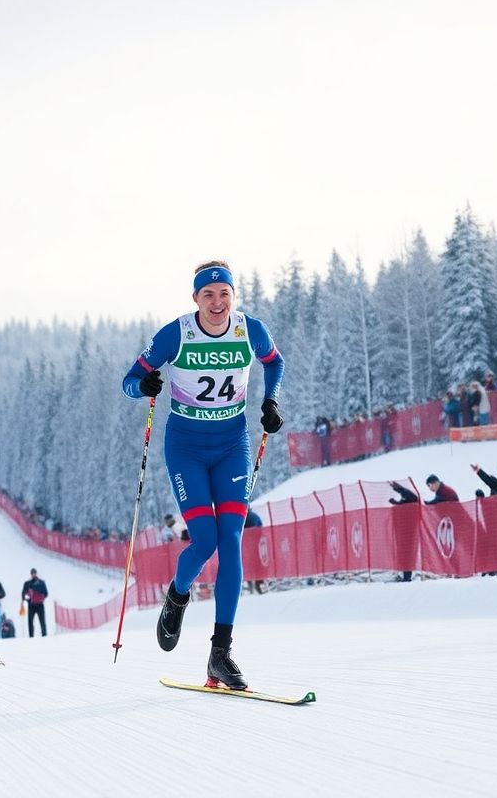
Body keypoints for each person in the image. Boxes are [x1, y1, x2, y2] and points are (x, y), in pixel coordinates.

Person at [123, 261, 284, 690]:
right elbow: (129, 380)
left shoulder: (250, 330)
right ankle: (177, 595)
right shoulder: (176, 334)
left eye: (224, 294)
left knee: (231, 541)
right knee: (206, 539)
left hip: (233, 445)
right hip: (187, 449)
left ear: (234, 296)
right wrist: (145, 387)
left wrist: (271, 403)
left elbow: (276, 364)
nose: (217, 302)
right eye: (208, 295)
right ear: (195, 299)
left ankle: (220, 654)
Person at [21, 568, 49, 638]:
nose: (33, 574)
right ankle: (33, 635)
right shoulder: (28, 583)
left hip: (37, 604)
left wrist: (27, 598)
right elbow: (23, 594)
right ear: (31, 574)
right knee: (32, 621)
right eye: (32, 573)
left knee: (41, 620)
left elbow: (46, 593)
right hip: (33, 605)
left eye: (34, 573)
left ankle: (43, 635)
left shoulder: (39, 582)